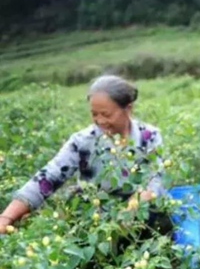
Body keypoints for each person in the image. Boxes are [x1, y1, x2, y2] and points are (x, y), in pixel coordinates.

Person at [0, 75, 172, 236]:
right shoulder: (83, 141)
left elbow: (155, 181)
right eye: (94, 114)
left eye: (106, 114)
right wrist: (6, 217)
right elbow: (48, 178)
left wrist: (128, 214)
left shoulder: (149, 136)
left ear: (128, 109)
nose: (100, 121)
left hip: (141, 216)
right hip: (97, 219)